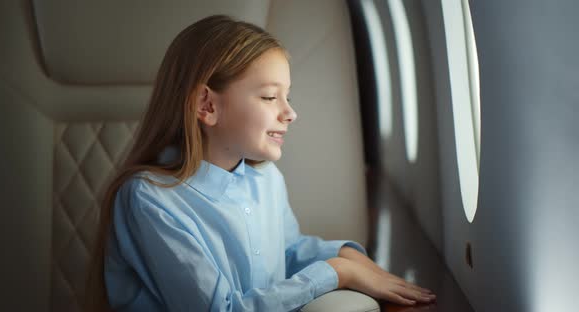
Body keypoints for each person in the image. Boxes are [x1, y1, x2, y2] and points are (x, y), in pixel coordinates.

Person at [85, 14, 436, 312]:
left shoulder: (265, 179)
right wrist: (337, 272)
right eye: (270, 96)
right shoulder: (149, 199)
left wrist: (348, 256)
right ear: (207, 105)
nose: (290, 113)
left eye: (288, 95)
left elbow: (288, 249)